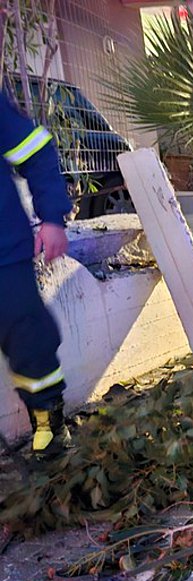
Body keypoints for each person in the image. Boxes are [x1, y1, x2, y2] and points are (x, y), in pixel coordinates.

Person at [1, 93, 72, 455]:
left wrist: (52, 218)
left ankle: (49, 426)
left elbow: (36, 151)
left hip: (4, 255)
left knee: (29, 340)